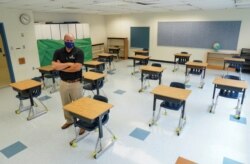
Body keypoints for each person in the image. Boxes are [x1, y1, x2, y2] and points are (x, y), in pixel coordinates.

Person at [52, 33, 85, 135]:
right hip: (63, 83)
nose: (69, 42)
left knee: (79, 104)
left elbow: (78, 67)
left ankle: (82, 124)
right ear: (64, 41)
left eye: (71, 41)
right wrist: (68, 64)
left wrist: (61, 66)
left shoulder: (79, 51)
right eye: (67, 40)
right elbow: (54, 66)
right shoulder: (58, 52)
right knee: (65, 104)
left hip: (76, 83)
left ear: (74, 41)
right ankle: (69, 121)